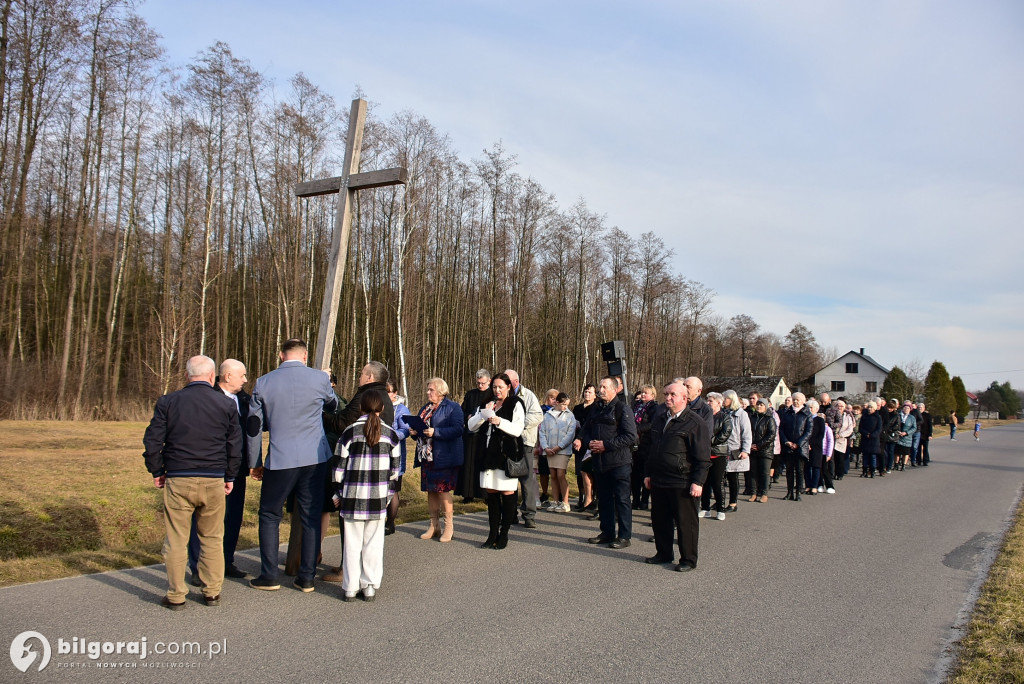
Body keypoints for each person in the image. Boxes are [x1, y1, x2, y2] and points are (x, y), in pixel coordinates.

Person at [143, 355, 242, 609]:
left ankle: (176, 595)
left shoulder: (168, 402)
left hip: (179, 477)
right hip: (213, 479)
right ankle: (212, 592)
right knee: (212, 537)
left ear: (188, 376)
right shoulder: (226, 404)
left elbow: (153, 439)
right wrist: (229, 475)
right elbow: (234, 445)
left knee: (176, 539)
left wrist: (156, 470)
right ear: (212, 376)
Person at [247, 339, 338, 593]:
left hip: (280, 458)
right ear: (306, 355)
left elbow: (253, 427)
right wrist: (324, 383)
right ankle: (306, 577)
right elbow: (333, 406)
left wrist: (254, 462)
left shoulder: (264, 382)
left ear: (281, 355)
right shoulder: (319, 380)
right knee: (310, 515)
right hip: (314, 457)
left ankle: (269, 575)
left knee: (269, 514)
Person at [320, 361, 392, 583]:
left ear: (370, 377)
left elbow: (343, 424)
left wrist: (319, 412)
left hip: (358, 469)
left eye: (361, 374)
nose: (359, 377)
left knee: (351, 524)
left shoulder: (366, 396)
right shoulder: (384, 397)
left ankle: (348, 571)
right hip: (379, 470)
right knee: (370, 531)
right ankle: (364, 575)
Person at [332, 391, 401, 602]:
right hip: (378, 498)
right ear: (381, 409)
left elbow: (338, 469)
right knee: (373, 544)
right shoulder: (391, 435)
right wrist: (388, 496)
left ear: (361, 408)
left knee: (352, 544)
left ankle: (350, 588)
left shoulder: (349, 432)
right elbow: (395, 472)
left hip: (352, 497)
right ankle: (369, 585)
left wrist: (338, 493)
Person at [186, 358, 250, 584]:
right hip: (211, 469)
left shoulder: (245, 400)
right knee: (204, 520)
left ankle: (226, 560)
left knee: (233, 517)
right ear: (227, 376)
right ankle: (198, 566)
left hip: (238, 469)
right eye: (241, 375)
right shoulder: (207, 397)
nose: (245, 379)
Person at [644, 381, 711, 572]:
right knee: (660, 520)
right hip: (659, 479)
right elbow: (652, 449)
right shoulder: (659, 419)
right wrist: (648, 474)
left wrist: (698, 481)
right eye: (666, 394)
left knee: (685, 522)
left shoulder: (695, 422)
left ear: (685, 398)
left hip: (682, 480)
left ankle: (688, 559)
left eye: (673, 394)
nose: (668, 398)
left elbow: (703, 457)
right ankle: (663, 553)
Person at [466, 373, 524, 549]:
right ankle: (492, 533)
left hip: (506, 453)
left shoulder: (515, 403)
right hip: (488, 454)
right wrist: (482, 415)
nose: (497, 390)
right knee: (491, 495)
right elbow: (471, 426)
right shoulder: (487, 402)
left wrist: (500, 422)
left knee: (506, 493)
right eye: (494, 387)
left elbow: (518, 429)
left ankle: (504, 533)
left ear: (508, 387)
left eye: (501, 387)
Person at [583, 376, 638, 549]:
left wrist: (606, 445)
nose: (601, 389)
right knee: (604, 499)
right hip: (600, 462)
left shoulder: (623, 409)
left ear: (615, 389)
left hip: (619, 463)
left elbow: (631, 436)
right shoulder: (596, 409)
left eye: (605, 386)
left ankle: (624, 536)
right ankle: (607, 532)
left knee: (621, 499)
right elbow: (586, 430)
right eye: (600, 386)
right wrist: (589, 442)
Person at [410, 377, 464, 542]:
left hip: (444, 456)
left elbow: (458, 429)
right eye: (428, 389)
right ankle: (434, 525)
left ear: (441, 391)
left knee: (443, 490)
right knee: (431, 490)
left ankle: (449, 527)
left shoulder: (453, 407)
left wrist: (437, 432)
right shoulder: (425, 408)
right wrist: (415, 432)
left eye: (431, 390)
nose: (428, 392)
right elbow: (422, 429)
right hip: (427, 456)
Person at [504, 369, 544, 529]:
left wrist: (518, 425)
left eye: (507, 379)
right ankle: (510, 514)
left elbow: (538, 415)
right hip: (507, 442)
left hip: (525, 442)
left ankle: (529, 515)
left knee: (526, 479)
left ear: (515, 381)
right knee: (508, 478)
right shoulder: (503, 394)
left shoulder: (528, 395)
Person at [538, 391, 577, 512]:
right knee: (553, 475)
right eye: (563, 404)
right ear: (557, 402)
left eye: (567, 405)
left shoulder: (570, 416)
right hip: (550, 450)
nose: (565, 407)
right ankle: (555, 501)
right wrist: (545, 447)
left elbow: (570, 434)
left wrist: (559, 447)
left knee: (561, 475)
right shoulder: (548, 415)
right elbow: (542, 432)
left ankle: (565, 502)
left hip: (562, 450)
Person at [458, 369, 493, 503]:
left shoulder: (492, 394)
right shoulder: (471, 394)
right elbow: (462, 411)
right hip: (471, 435)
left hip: (485, 434)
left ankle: (486, 494)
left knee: (484, 465)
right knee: (469, 465)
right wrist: (468, 416)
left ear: (489, 381)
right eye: (478, 383)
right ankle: (468, 494)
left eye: (483, 383)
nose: (480, 386)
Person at [700, 393, 732, 519]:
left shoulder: (725, 417)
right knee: (704, 482)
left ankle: (720, 509)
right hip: (705, 453)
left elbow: (726, 433)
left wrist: (709, 441)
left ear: (719, 403)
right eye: (707, 401)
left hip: (719, 453)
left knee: (717, 482)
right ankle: (705, 508)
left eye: (711, 401)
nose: (708, 403)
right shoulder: (704, 416)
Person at [384, 379, 410, 534]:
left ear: (395, 394)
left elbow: (405, 430)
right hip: (378, 454)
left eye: (389, 392)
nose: (386, 395)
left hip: (395, 454)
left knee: (393, 490)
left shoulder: (401, 409)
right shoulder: (377, 406)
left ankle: (390, 522)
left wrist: (389, 436)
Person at [779, 392, 812, 500]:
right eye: (794, 399)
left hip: (800, 447)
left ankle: (798, 492)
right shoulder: (787, 413)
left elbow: (808, 431)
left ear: (803, 401)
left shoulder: (807, 414)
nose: (795, 401)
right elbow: (781, 429)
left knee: (799, 470)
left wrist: (798, 443)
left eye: (798, 400)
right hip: (788, 446)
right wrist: (786, 442)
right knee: (789, 470)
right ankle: (789, 492)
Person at [722, 389, 751, 513]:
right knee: (721, 478)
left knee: (733, 478)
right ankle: (721, 501)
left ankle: (733, 503)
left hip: (735, 450)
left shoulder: (741, 414)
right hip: (723, 449)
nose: (723, 401)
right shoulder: (723, 413)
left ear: (731, 399)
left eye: (725, 399)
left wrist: (745, 450)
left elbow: (746, 433)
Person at [631, 385, 658, 510]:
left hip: (646, 444)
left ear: (652, 395)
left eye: (645, 393)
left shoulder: (654, 408)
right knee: (634, 475)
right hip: (634, 444)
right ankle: (635, 499)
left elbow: (652, 424)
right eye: (642, 392)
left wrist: (636, 429)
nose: (642, 395)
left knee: (644, 473)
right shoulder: (636, 406)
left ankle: (644, 500)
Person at [572, 384, 598, 511]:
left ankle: (593, 498)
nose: (587, 394)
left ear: (595, 395)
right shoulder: (577, 408)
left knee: (591, 471)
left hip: (589, 442)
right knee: (579, 471)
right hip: (578, 441)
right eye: (586, 391)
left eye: (590, 392)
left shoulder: (596, 407)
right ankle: (581, 497)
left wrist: (582, 438)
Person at [748, 398, 776, 503]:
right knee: (753, 472)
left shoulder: (770, 419)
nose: (759, 406)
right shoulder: (752, 417)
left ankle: (764, 493)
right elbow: (748, 431)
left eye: (761, 405)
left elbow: (771, 435)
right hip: (753, 449)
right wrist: (750, 445)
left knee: (764, 473)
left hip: (765, 450)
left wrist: (759, 445)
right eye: (758, 404)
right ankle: (753, 493)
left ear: (766, 406)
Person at [537, 388, 559, 503]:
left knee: (557, 472)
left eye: (556, 398)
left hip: (557, 446)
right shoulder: (541, 410)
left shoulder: (560, 411)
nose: (554, 401)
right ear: (547, 399)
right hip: (543, 445)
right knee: (544, 472)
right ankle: (544, 493)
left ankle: (558, 494)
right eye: (552, 398)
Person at [858, 401, 883, 478]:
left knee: (873, 456)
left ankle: (872, 471)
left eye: (871, 407)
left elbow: (879, 429)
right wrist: (866, 434)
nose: (870, 409)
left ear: (875, 408)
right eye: (869, 407)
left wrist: (872, 435)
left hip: (874, 440)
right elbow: (860, 427)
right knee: (865, 456)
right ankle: (864, 471)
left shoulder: (877, 417)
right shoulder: (864, 416)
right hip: (865, 439)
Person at [831, 399, 855, 480]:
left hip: (842, 439)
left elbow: (850, 429)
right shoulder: (832, 415)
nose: (839, 408)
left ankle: (840, 473)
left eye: (841, 406)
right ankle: (832, 473)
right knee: (832, 458)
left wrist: (840, 435)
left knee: (840, 457)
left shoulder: (847, 416)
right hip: (832, 438)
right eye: (838, 406)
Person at [895, 401, 918, 470]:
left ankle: (903, 465)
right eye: (905, 408)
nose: (906, 409)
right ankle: (896, 463)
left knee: (906, 452)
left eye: (908, 408)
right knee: (897, 452)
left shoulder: (912, 418)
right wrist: (898, 432)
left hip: (907, 437)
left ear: (910, 409)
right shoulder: (898, 415)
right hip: (898, 436)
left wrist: (906, 433)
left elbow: (914, 428)